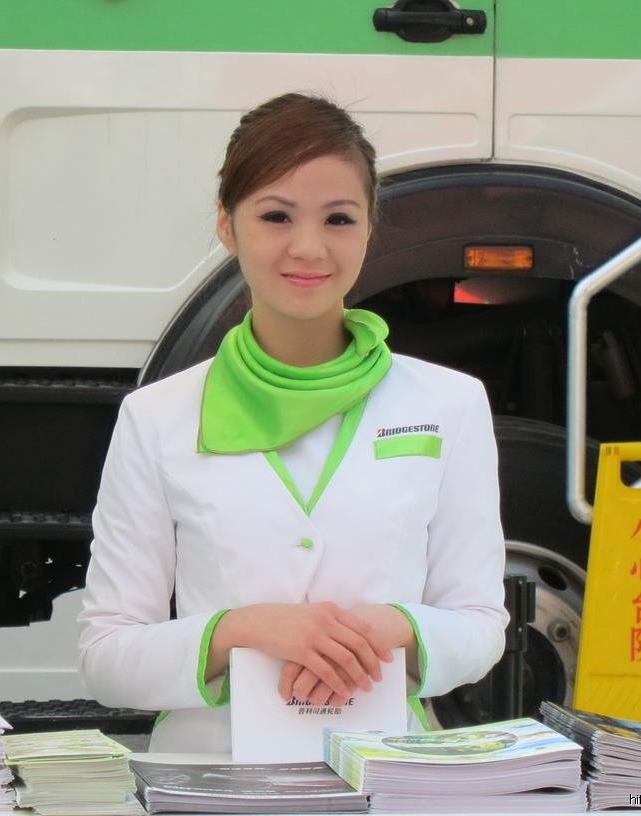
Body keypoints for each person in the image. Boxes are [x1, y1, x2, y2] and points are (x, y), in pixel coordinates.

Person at [78, 92, 509, 753]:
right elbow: (106, 656)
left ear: (369, 228)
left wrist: (391, 629)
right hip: (210, 779)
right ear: (228, 225)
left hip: (388, 772)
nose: (308, 248)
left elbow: (480, 627)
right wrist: (243, 630)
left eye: (339, 219)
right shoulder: (156, 417)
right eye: (276, 216)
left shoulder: (450, 404)